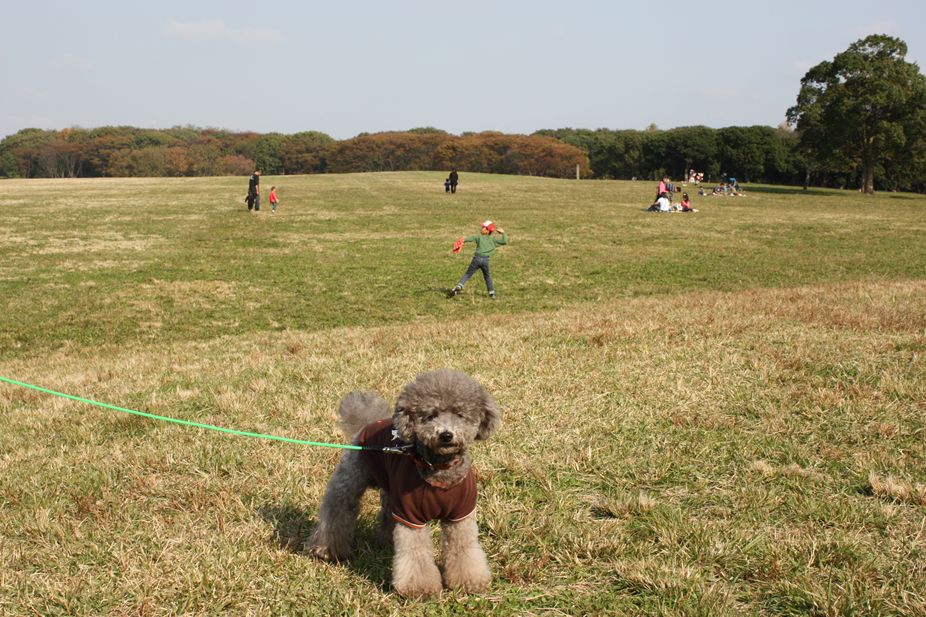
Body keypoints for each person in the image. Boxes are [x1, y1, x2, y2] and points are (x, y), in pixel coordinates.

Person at [448, 220, 508, 300]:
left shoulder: (479, 237)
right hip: (485, 261)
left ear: (487, 231)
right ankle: (492, 293)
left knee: (468, 274)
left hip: (476, 259)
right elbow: (504, 241)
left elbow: (470, 238)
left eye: (483, 227)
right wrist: (503, 233)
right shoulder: (493, 240)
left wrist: (462, 240)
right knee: (487, 277)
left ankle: (459, 286)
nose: (481, 228)